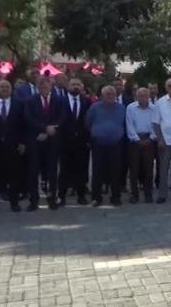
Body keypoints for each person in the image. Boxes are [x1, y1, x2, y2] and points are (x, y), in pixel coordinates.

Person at [24, 76, 66, 211]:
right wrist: (43, 129)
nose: (44, 87)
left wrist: (50, 130)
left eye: (46, 85)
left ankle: (52, 199)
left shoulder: (59, 100)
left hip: (52, 141)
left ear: (51, 86)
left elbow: (62, 117)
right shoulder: (30, 101)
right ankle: (33, 201)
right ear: (37, 87)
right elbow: (28, 119)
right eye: (41, 85)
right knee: (33, 171)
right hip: (36, 140)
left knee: (52, 171)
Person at [0, 80, 24, 213]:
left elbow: (23, 125)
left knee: (14, 175)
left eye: (7, 86)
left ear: (11, 89)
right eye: (1, 86)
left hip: (13, 145)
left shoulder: (19, 104)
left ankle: (14, 202)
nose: (5, 88)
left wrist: (22, 142)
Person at [85, 86, 126, 206]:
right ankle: (96, 197)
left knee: (115, 170)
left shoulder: (121, 108)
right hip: (98, 143)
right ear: (102, 96)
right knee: (97, 171)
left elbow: (124, 123)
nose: (110, 96)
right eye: (107, 94)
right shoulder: (95, 107)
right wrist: (96, 133)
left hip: (115, 144)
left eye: (112, 94)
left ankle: (116, 196)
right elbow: (87, 122)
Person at [58, 78, 91, 206]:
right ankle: (61, 196)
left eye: (78, 84)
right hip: (64, 141)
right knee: (64, 170)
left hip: (82, 142)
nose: (75, 86)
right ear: (68, 86)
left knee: (81, 169)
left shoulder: (87, 101)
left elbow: (89, 121)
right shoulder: (60, 101)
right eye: (73, 84)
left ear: (82, 87)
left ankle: (81, 195)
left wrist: (88, 139)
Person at [126, 88, 157, 203]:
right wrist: (137, 139)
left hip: (149, 140)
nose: (143, 98)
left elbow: (156, 125)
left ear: (149, 97)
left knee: (148, 169)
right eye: (140, 96)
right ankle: (134, 194)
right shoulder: (130, 108)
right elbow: (129, 125)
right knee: (134, 169)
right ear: (136, 96)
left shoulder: (154, 108)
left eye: (145, 96)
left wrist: (151, 138)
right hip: (135, 141)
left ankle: (148, 194)